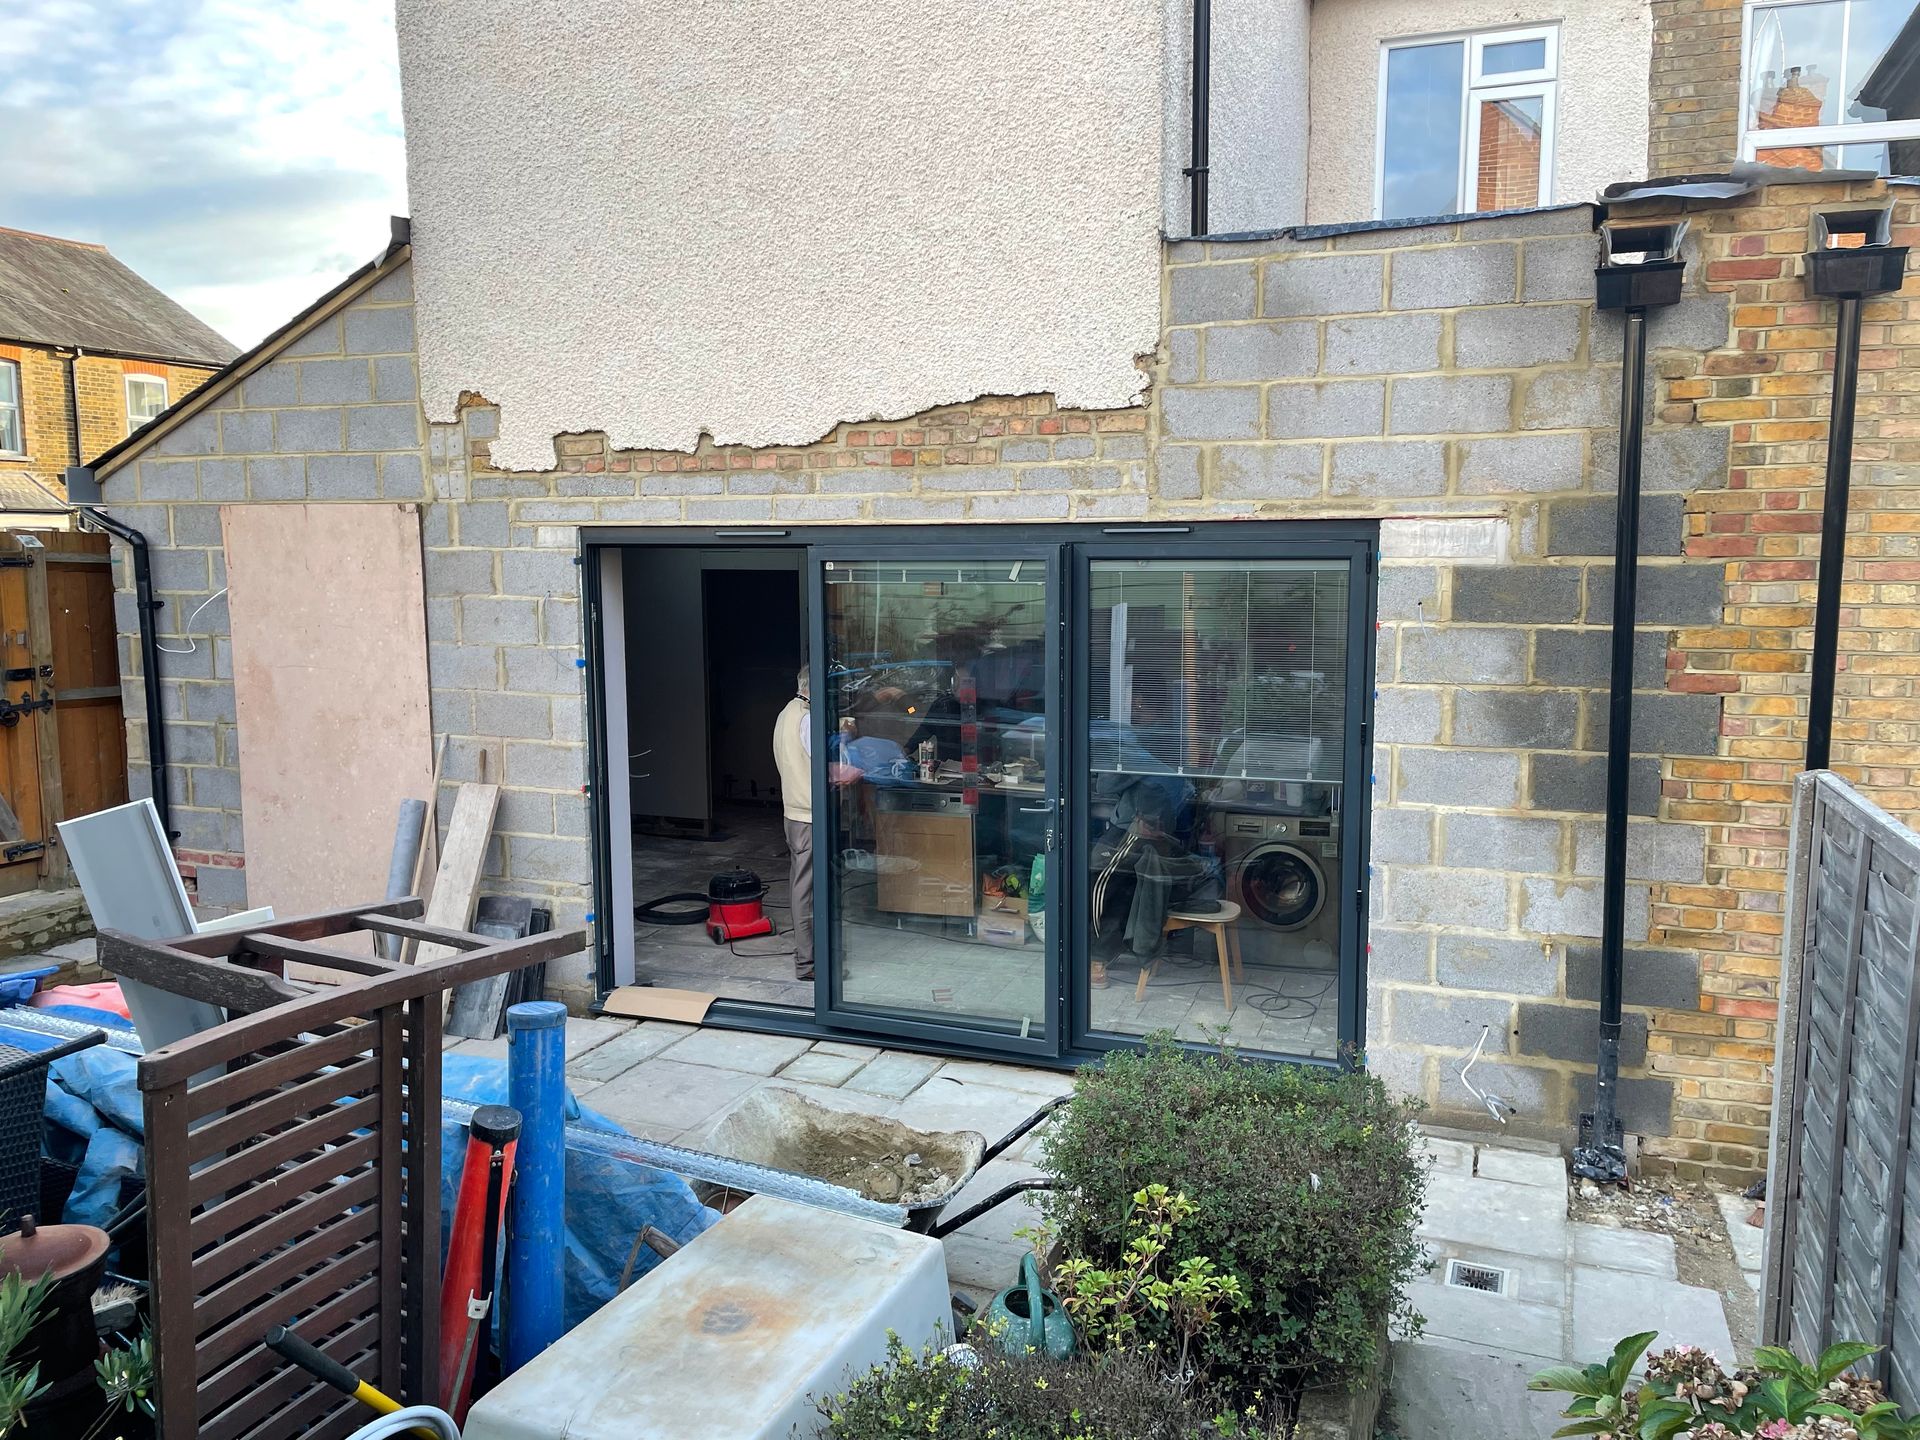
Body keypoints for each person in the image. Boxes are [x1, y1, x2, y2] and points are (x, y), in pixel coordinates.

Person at [772, 665, 816, 981]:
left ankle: (808, 955)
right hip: (809, 815)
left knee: (799, 885)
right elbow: (823, 764)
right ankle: (809, 962)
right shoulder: (808, 719)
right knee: (806, 891)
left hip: (792, 811)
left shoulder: (785, 713)